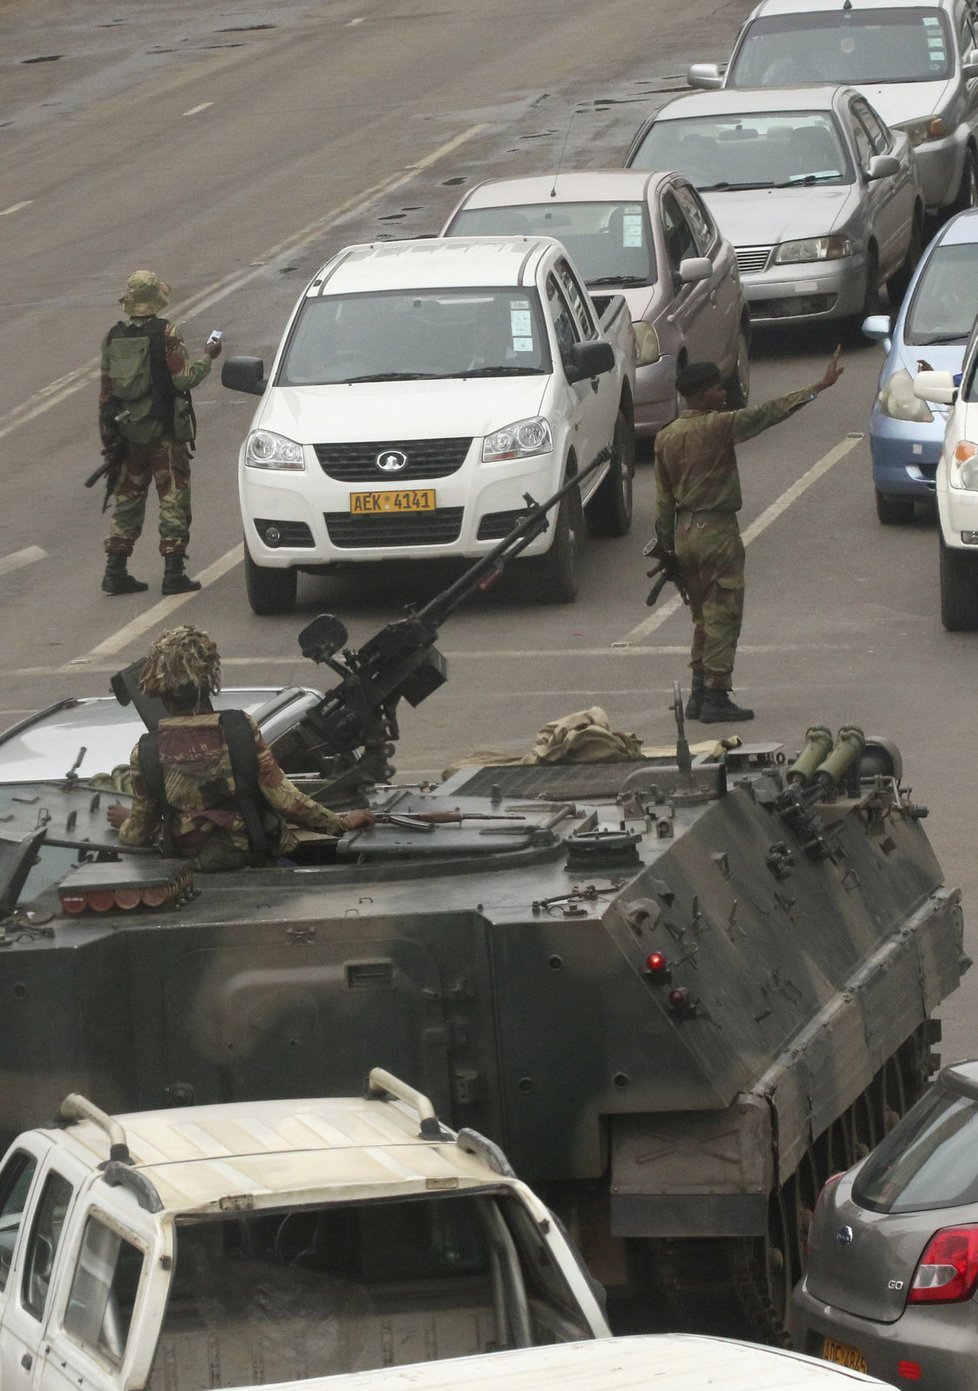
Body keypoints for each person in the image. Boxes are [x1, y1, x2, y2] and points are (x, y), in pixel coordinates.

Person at [654, 349, 844, 723]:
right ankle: (715, 695)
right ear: (701, 394)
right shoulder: (718, 426)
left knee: (702, 617)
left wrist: (666, 548)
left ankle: (697, 693)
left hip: (684, 532)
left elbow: (662, 500)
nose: (724, 394)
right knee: (723, 612)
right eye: (717, 389)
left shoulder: (665, 437)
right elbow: (769, 413)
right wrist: (817, 387)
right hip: (716, 532)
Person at [106, 625, 374, 871]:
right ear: (209, 681)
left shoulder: (146, 752)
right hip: (255, 863)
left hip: (192, 875)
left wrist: (126, 822)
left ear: (158, 689)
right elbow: (286, 800)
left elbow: (138, 834)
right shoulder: (240, 730)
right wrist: (340, 823)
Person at [99, 270, 222, 597]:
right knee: (173, 497)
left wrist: (109, 440)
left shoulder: (113, 337)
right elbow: (183, 380)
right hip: (165, 431)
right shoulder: (167, 333)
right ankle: (173, 572)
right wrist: (208, 357)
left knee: (128, 498)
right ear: (156, 300)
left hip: (129, 433)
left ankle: (115, 570)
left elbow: (107, 393)